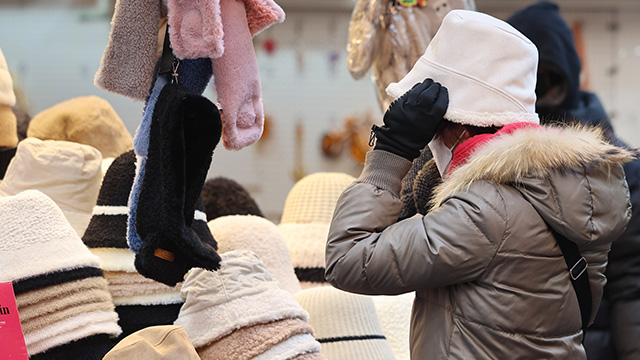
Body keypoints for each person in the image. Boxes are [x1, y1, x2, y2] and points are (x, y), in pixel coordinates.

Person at [324, 9, 635, 359]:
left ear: (459, 122)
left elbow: (347, 260)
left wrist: (390, 153)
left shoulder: (485, 210)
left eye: (433, 125)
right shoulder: (563, 185)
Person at [507, 3, 640, 359]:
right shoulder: (497, 160)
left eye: (544, 74)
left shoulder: (615, 164)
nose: (538, 85)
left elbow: (631, 280)